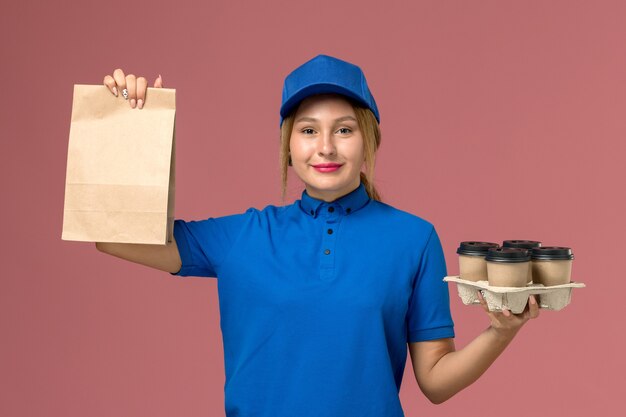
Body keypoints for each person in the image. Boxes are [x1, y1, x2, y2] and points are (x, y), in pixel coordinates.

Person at [96, 55, 539, 417]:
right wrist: (130, 127)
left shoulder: (414, 239)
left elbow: (436, 382)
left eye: (343, 130)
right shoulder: (243, 236)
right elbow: (111, 236)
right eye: (308, 130)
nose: (325, 146)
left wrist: (500, 332)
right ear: (288, 146)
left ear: (369, 142)